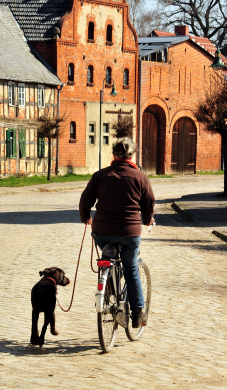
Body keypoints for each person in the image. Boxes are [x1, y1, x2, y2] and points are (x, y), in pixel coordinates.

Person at [79, 137, 155, 328]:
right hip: (129, 233)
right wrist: (147, 220)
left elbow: (85, 200)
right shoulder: (140, 177)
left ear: (113, 154)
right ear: (132, 155)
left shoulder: (100, 175)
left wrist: (86, 217)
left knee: (108, 256)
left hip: (102, 231)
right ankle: (138, 314)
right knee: (130, 269)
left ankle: (108, 288)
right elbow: (149, 203)